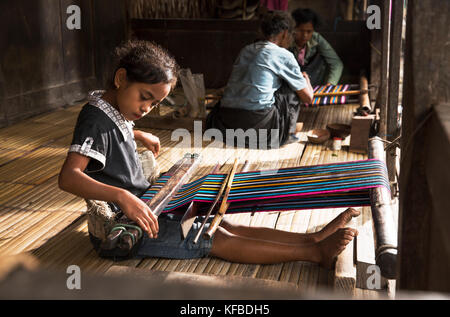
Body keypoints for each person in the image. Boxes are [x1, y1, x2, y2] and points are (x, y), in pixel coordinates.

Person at [58, 39, 358, 269]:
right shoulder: (94, 118)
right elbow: (69, 177)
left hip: (147, 203)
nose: (146, 109)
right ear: (121, 79)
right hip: (125, 227)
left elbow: (111, 133)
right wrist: (123, 197)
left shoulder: (111, 111)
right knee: (212, 236)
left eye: (153, 104)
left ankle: (311, 238)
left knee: (221, 221)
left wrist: (137, 133)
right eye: (144, 98)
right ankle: (314, 252)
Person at [206, 11, 314, 149]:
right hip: (258, 125)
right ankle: (288, 134)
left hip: (226, 121)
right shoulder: (283, 55)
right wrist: (306, 79)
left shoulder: (246, 50)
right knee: (291, 88)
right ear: (285, 33)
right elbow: (308, 98)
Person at [290, 8, 344, 87]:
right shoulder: (287, 41)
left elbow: (336, 64)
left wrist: (330, 84)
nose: (305, 35)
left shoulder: (316, 38)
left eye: (309, 31)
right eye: (301, 30)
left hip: (313, 83)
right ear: (293, 29)